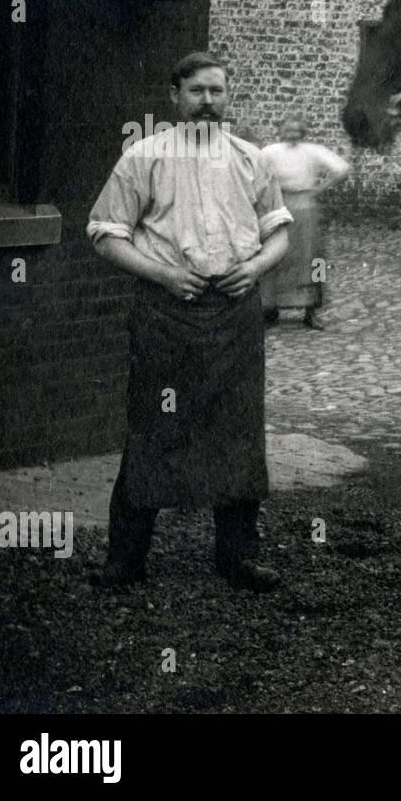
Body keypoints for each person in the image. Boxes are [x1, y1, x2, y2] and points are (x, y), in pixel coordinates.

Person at [86, 51, 293, 591]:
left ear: (228, 97)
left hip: (234, 315)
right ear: (174, 96)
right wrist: (162, 275)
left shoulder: (252, 159)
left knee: (238, 431)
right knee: (155, 428)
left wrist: (253, 269)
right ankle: (125, 560)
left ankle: (238, 558)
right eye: (197, 91)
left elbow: (281, 235)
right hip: (165, 316)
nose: (207, 102)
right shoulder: (144, 157)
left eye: (217, 91)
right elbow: (105, 233)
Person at [259, 115, 351, 330]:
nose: (292, 134)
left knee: (315, 258)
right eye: (287, 130)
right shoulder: (269, 152)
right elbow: (253, 171)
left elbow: (343, 169)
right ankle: (270, 307)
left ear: (303, 132)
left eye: (296, 130)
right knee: (275, 255)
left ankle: (313, 309)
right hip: (279, 206)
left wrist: (320, 188)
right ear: (280, 131)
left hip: (306, 207)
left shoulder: (313, 150)